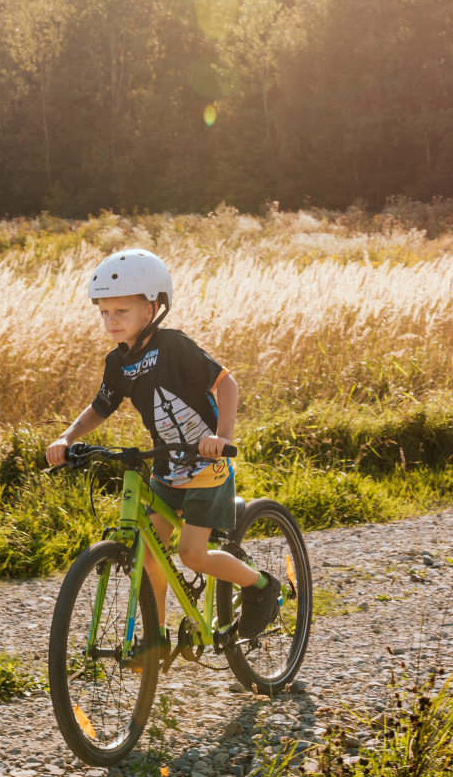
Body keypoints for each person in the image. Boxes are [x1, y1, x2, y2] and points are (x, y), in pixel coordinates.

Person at [46, 248, 283, 641]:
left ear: (152, 307)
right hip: (166, 470)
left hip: (206, 467)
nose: (110, 321)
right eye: (104, 312)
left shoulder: (174, 346)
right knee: (150, 554)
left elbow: (226, 384)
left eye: (120, 311)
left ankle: (261, 587)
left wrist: (221, 438)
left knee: (192, 554)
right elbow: (100, 408)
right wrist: (67, 437)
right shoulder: (117, 362)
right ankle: (152, 639)